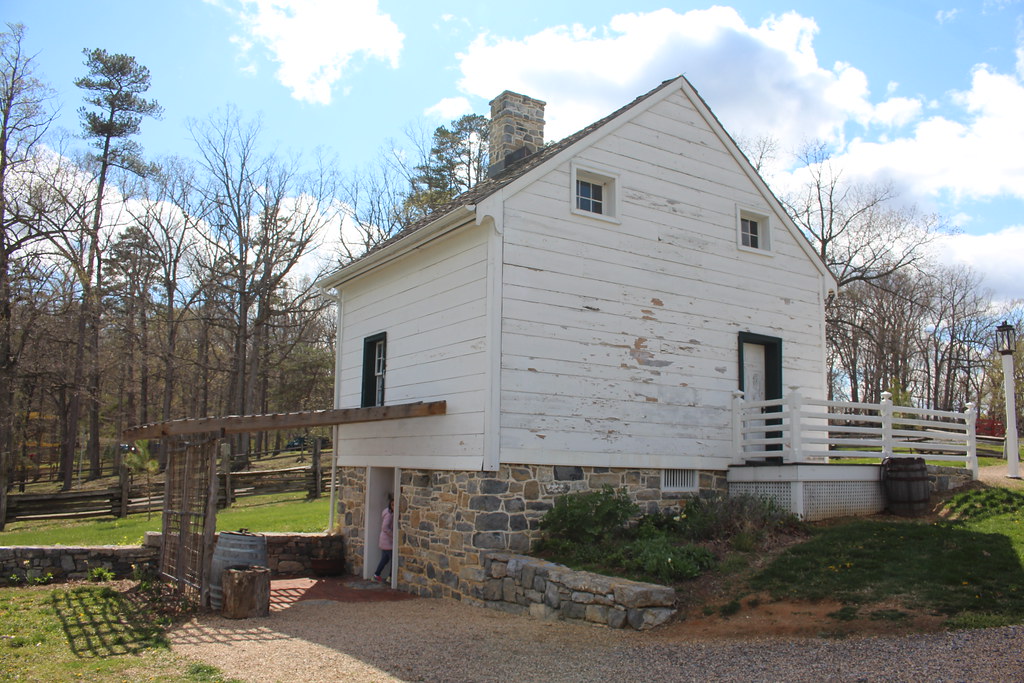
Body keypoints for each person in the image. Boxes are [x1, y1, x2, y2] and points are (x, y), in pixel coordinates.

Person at [372, 495, 394, 583]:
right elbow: (385, 527)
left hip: (384, 540)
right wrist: (393, 535)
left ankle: (376, 574)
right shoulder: (389, 515)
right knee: (393, 559)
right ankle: (390, 577)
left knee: (384, 559)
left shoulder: (388, 513)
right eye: (392, 505)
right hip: (388, 541)